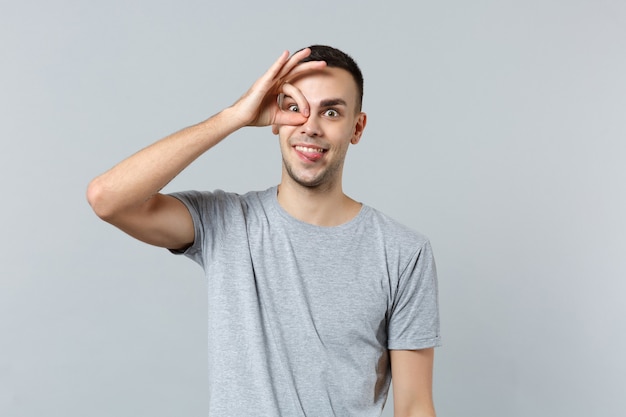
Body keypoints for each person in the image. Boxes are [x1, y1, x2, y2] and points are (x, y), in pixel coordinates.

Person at [87, 45, 441, 417]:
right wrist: (232, 117)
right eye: (295, 108)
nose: (310, 126)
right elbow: (107, 198)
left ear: (357, 128)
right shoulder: (226, 222)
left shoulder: (403, 252)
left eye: (331, 112)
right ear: (274, 115)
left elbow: (415, 405)